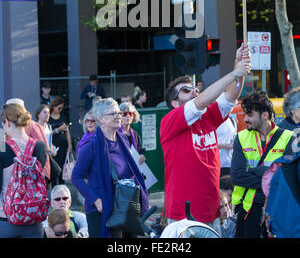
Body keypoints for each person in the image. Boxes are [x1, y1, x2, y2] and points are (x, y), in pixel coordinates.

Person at [160, 43, 251, 235]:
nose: (193, 91)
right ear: (175, 103)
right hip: (183, 215)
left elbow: (231, 95)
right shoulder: (170, 121)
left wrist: (239, 62)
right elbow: (202, 101)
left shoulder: (207, 117)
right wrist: (234, 73)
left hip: (211, 212)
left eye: (194, 87)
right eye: (185, 90)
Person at [71, 98, 149, 238]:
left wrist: (141, 196)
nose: (119, 116)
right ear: (101, 119)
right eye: (113, 113)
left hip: (126, 204)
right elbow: (76, 177)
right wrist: (95, 200)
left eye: (119, 112)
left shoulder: (123, 139)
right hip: (102, 208)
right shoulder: (91, 145)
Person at [230, 91, 295, 238]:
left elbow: (287, 179)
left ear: (265, 115)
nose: (245, 119)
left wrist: (256, 171)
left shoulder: (288, 137)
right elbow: (237, 176)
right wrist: (270, 177)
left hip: (276, 210)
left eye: (250, 115)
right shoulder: (241, 137)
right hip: (248, 210)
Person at [0, 102, 47, 238]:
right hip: (34, 218)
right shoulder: (40, 146)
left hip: (7, 218)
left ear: (7, 122)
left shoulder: (2, 147)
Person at [4, 98, 51, 186]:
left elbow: (43, 152)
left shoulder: (33, 126)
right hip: (13, 179)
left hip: (33, 178)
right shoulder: (4, 129)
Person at [49, 96, 72, 182]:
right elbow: (47, 133)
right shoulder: (48, 117)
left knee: (63, 169)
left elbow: (67, 131)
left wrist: (70, 145)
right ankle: (54, 189)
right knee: (54, 169)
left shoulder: (62, 116)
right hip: (53, 146)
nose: (60, 110)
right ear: (54, 106)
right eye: (59, 108)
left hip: (63, 146)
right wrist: (58, 130)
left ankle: (62, 187)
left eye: (62, 108)